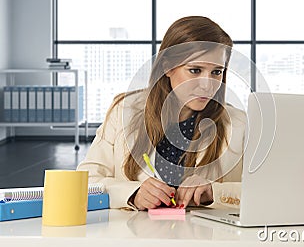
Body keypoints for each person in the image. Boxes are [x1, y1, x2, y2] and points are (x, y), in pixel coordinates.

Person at [77, 16, 246, 210]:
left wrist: (214, 192)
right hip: (134, 236)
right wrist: (133, 193)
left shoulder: (239, 124)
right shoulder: (123, 111)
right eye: (195, 70)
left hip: (204, 238)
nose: (207, 85)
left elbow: (270, 191)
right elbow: (87, 181)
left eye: (216, 72)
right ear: (167, 67)